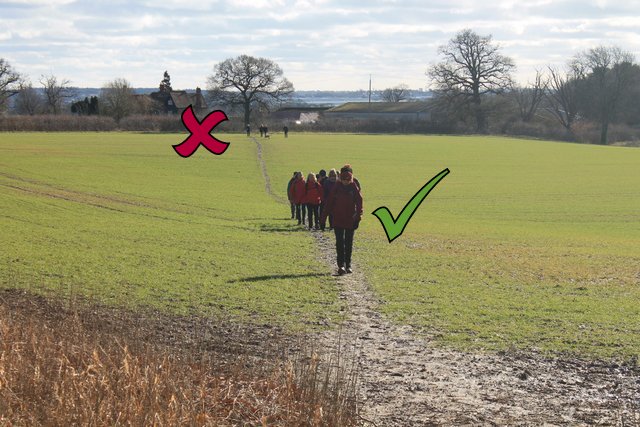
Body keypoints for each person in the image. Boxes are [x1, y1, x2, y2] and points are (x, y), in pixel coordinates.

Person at [321, 164, 363, 275]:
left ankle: (348, 265)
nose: (346, 182)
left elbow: (359, 204)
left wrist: (358, 218)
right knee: (339, 243)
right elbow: (329, 203)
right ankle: (341, 265)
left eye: (348, 180)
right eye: (344, 180)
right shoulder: (336, 187)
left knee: (348, 243)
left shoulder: (354, 187)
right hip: (338, 219)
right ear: (341, 179)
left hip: (350, 219)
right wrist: (323, 219)